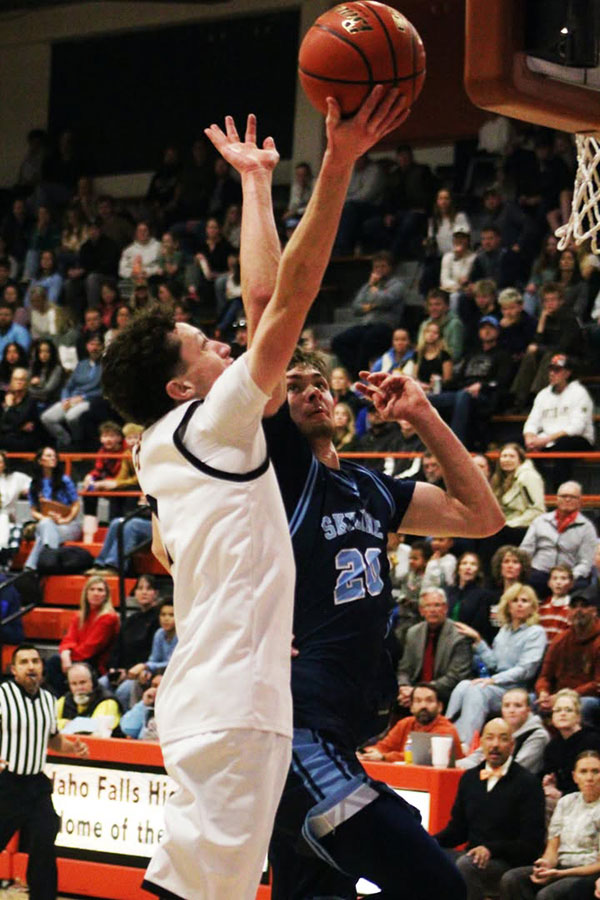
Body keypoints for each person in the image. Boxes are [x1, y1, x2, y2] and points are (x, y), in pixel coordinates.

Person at [101, 92, 412, 900]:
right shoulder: (209, 426)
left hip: (226, 689)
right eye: (207, 346)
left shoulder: (170, 445)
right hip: (237, 702)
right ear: (181, 382)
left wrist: (253, 185)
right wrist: (338, 162)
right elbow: (285, 304)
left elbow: (266, 309)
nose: (224, 343)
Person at [227, 105, 505, 900]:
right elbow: (267, 307)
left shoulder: (371, 488)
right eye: (297, 384)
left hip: (343, 727)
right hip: (299, 727)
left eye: (321, 383)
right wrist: (259, 184)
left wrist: (422, 415)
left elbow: (483, 519)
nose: (309, 389)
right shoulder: (283, 465)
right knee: (436, 885)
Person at [0, 644, 89, 900]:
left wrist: (74, 749)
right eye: (24, 662)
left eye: (35, 661)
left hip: (37, 785)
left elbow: (53, 739)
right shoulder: (3, 693)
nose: (31, 666)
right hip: (7, 784)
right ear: (14, 669)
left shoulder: (50, 699)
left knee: (44, 846)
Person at [434, 718, 546, 900]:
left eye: (502, 739)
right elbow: (457, 830)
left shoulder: (528, 783)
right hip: (472, 856)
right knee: (427, 856)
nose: (495, 745)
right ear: (481, 743)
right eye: (490, 738)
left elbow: (531, 844)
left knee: (466, 865)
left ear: (512, 744)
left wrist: (490, 849)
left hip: (508, 861)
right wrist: (427, 841)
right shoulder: (469, 778)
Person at [447, 584, 547, 747]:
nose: (520, 604)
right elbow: (494, 662)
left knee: (477, 691)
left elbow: (526, 670)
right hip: (499, 684)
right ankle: (445, 733)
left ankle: (464, 744)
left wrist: (494, 680)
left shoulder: (536, 632)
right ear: (508, 605)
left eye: (525, 601)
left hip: (517, 688)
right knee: (463, 685)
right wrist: (478, 640)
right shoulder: (504, 631)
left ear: (532, 607)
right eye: (515, 600)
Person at [501, 751, 600, 900]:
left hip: (588, 871)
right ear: (575, 777)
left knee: (547, 895)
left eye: (595, 771)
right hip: (560, 866)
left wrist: (561, 874)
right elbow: (552, 848)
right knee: (512, 879)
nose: (589, 778)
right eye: (583, 772)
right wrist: (546, 864)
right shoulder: (566, 802)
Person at [523, 354, 595, 490]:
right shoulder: (543, 394)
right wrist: (529, 437)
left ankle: (559, 491)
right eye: (550, 369)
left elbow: (576, 428)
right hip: (547, 439)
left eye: (557, 370)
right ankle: (535, 488)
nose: (551, 373)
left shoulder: (579, 393)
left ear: (567, 373)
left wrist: (545, 441)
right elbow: (532, 421)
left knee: (563, 445)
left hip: (577, 439)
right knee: (517, 445)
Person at [330, 251, 406, 378]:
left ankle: (361, 375)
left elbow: (385, 301)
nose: (379, 270)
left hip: (386, 326)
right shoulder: (368, 286)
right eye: (376, 267)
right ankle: (356, 373)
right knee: (338, 342)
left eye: (383, 266)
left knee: (367, 341)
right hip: (367, 325)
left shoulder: (397, 285)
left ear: (390, 268)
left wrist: (373, 294)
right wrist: (373, 300)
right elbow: (356, 307)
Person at [396, 587, 473, 710]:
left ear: (445, 608)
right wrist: (404, 687)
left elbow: (455, 677)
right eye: (428, 606)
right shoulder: (413, 632)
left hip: (444, 692)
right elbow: (404, 669)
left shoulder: (459, 636)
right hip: (414, 691)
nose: (432, 610)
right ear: (421, 611)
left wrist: (418, 692)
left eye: (437, 605)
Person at [45, 575, 120, 696]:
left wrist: (68, 655)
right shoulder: (79, 615)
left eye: (100, 590)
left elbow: (91, 648)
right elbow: (69, 638)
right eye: (92, 589)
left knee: (54, 663)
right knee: (53, 663)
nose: (96, 593)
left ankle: (62, 699)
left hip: (95, 664)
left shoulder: (109, 618)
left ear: (106, 595)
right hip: (75, 658)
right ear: (86, 593)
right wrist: (65, 654)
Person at [536, 589, 600, 727]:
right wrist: (543, 693)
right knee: (527, 701)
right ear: (568, 611)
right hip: (559, 696)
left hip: (590, 698)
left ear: (594, 611)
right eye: (574, 606)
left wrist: (565, 697)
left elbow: (597, 684)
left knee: (585, 705)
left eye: (584, 606)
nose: (578, 611)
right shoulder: (560, 639)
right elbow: (545, 676)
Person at [520, 481, 598, 596]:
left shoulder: (587, 528)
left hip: (570, 576)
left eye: (572, 497)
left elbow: (586, 562)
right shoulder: (540, 521)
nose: (567, 499)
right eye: (564, 496)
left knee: (581, 585)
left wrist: (568, 577)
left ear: (580, 501)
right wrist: (526, 569)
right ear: (557, 499)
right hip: (539, 572)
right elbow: (525, 551)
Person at [359, 681, 463, 762]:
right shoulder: (405, 723)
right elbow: (384, 746)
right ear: (411, 707)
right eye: (418, 701)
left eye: (429, 701)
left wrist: (384, 757)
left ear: (440, 707)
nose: (423, 706)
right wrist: (368, 752)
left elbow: (423, 758)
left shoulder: (446, 730)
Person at [457, 687, 549, 775]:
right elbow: (475, 758)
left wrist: (481, 769)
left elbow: (518, 768)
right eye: (507, 706)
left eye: (518, 706)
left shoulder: (539, 735)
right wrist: (455, 765)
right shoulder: (499, 728)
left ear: (528, 709)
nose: (511, 710)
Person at [41, 331, 104, 447]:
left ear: (102, 346)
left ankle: (77, 442)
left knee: (71, 416)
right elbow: (68, 386)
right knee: (47, 418)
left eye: (98, 344)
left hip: (89, 400)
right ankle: (67, 441)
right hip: (71, 398)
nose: (94, 348)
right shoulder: (81, 364)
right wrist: (65, 399)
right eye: (92, 344)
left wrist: (83, 397)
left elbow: (103, 390)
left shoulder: (105, 365)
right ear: (87, 346)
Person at [23, 446, 82, 572]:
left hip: (68, 524)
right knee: (46, 525)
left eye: (54, 456)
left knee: (43, 535)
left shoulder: (64, 480)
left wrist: (65, 520)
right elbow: (34, 511)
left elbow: (76, 505)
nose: (53, 459)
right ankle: (49, 563)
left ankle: (30, 568)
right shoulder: (34, 483)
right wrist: (47, 518)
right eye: (49, 456)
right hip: (47, 523)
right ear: (40, 460)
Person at [542, 690, 600, 813]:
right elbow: (550, 773)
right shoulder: (552, 746)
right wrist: (548, 783)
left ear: (578, 716)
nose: (562, 714)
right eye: (558, 710)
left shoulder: (592, 741)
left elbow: (591, 780)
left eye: (568, 710)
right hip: (564, 799)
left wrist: (561, 794)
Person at [56, 661, 121, 733]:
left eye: (83, 682)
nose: (79, 688)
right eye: (74, 684)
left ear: (93, 682)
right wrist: (65, 723)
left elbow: (96, 728)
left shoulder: (108, 702)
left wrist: (68, 724)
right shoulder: (64, 700)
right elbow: (49, 723)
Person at [447, 551, 496, 644]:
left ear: (478, 570)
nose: (468, 567)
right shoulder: (448, 592)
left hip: (469, 644)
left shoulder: (484, 595)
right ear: (458, 568)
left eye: (473, 564)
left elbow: (481, 626)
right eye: (464, 563)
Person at [0, 450, 30, 567]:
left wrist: (28, 491)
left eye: (0, 462)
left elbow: (33, 486)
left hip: (8, 519)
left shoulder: (15, 478)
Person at [538, 565, 574, 643]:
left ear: (571, 584)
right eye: (554, 578)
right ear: (549, 583)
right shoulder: (541, 607)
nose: (558, 582)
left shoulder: (572, 609)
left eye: (563, 578)